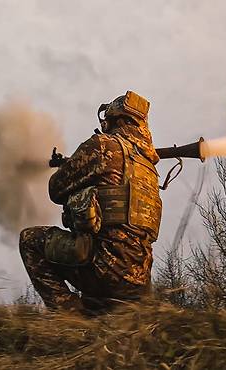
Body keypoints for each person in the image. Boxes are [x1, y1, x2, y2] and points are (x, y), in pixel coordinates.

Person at [19, 91, 162, 311]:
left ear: (115, 119)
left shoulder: (103, 145)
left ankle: (71, 317)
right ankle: (97, 309)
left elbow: (55, 190)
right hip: (140, 283)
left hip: (104, 270)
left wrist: (70, 168)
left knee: (29, 240)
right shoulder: (149, 168)